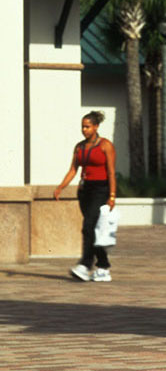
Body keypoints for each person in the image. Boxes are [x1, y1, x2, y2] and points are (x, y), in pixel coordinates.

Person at [54, 110, 117, 281]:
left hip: (101, 190)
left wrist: (112, 196)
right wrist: (61, 187)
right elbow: (73, 170)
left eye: (87, 127)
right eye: (82, 127)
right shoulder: (79, 147)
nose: (84, 130)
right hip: (85, 191)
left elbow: (111, 172)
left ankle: (85, 264)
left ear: (96, 127)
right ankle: (103, 267)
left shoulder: (105, 145)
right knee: (93, 229)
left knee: (88, 227)